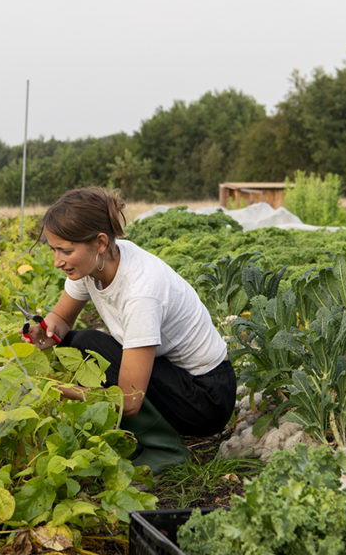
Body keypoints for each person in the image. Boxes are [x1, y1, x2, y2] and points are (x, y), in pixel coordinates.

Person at [25, 187, 237, 473]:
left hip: (205, 398)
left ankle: (165, 448)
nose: (57, 261)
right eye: (53, 249)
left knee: (95, 351)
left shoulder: (141, 291)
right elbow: (61, 320)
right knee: (80, 342)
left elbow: (128, 401)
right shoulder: (95, 263)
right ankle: (133, 434)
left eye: (66, 251)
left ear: (100, 242)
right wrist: (44, 330)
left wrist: (55, 390)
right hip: (172, 374)